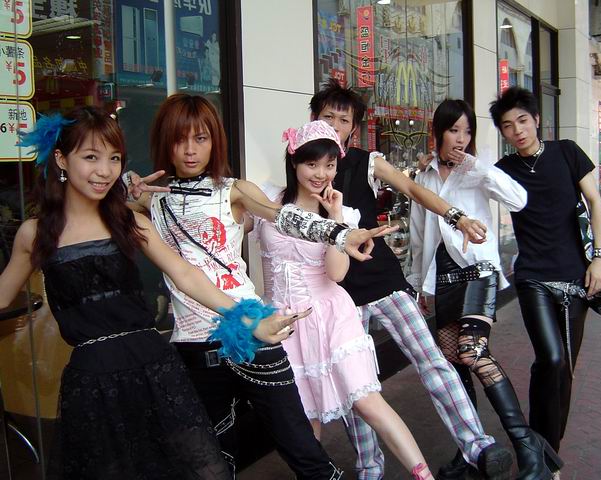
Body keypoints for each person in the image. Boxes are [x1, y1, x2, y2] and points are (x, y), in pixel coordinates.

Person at [0, 107, 303, 479]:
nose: (104, 170)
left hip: (155, 368)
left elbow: (187, 275)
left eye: (114, 158)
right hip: (93, 381)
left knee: (204, 471)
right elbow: (3, 296)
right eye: (91, 157)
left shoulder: (128, 221)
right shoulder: (35, 233)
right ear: (61, 159)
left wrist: (249, 319)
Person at [128, 94, 395, 479]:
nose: (189, 150)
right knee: (211, 460)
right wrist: (126, 189)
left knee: (303, 449)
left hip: (254, 332)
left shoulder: (233, 189)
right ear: (163, 143)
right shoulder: (152, 203)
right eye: (179, 139)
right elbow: (106, 207)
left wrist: (338, 233)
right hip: (193, 342)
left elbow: (279, 215)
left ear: (215, 141)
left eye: (200, 138)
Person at [309, 79, 513, 480]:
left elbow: (412, 189)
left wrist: (456, 217)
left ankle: (477, 444)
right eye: (327, 116)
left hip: (384, 282)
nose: (334, 125)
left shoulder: (366, 161)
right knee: (356, 387)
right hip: (338, 295)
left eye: (343, 120)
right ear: (313, 118)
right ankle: (369, 467)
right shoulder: (299, 169)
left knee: (432, 361)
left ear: (354, 128)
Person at [253, 120, 435, 479]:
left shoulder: (344, 214)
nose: (321, 174)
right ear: (294, 162)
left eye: (330, 165)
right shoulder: (266, 202)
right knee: (304, 418)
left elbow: (337, 274)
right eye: (312, 164)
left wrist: (336, 220)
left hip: (330, 316)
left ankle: (424, 476)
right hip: (282, 325)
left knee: (367, 402)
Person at [410, 99, 563, 480]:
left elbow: (519, 200)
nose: (461, 138)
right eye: (453, 130)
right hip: (442, 279)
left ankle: (528, 446)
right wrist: (418, 286)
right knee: (454, 360)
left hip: (479, 272)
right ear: (438, 132)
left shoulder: (478, 171)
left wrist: (476, 166)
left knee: (471, 351)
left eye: (467, 131)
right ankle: (473, 449)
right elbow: (418, 236)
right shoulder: (424, 177)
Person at [489, 87, 601, 463]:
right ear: (503, 132)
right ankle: (540, 452)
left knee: (564, 368)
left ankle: (547, 452)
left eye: (523, 121)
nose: (518, 130)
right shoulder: (503, 170)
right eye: (508, 126)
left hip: (576, 278)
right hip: (532, 278)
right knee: (551, 358)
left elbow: (596, 203)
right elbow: (468, 181)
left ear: (536, 119)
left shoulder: (567, 152)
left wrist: (600, 258)